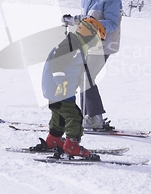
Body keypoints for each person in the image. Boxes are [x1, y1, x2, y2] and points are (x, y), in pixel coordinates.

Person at [62, 0, 123, 129]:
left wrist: (90, 22)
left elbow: (111, 25)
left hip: (104, 44)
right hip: (89, 43)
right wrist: (74, 20)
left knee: (86, 78)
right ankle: (90, 117)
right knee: (83, 77)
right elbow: (86, 19)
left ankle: (95, 118)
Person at [40, 17, 107, 158]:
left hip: (58, 89)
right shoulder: (71, 45)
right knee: (74, 116)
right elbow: (57, 62)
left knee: (59, 115)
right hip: (59, 88)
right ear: (88, 34)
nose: (96, 43)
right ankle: (72, 145)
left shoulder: (77, 44)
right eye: (96, 39)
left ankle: (54, 140)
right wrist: (61, 81)